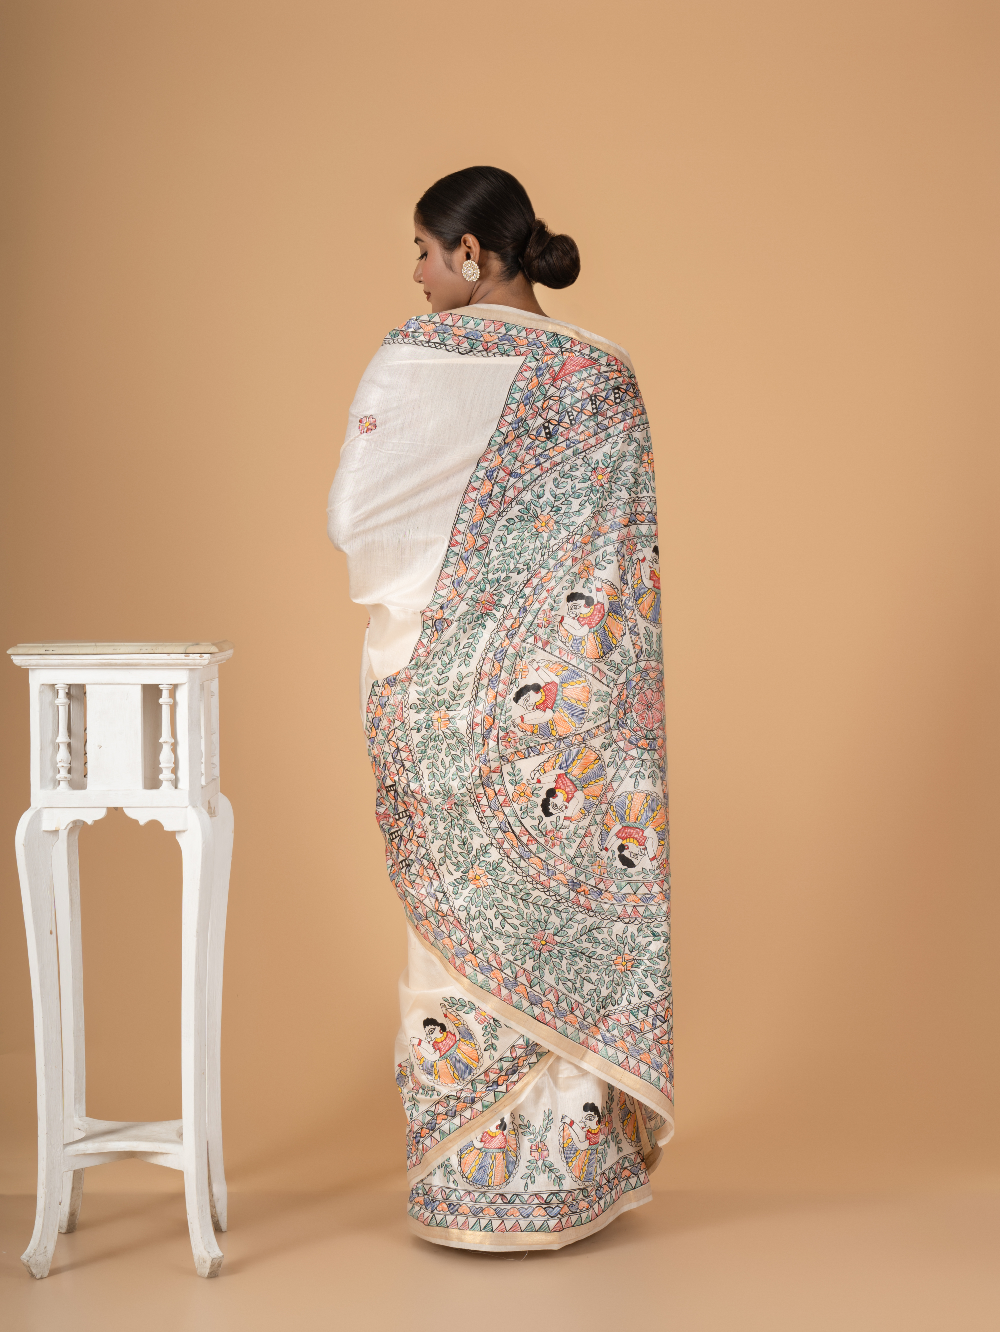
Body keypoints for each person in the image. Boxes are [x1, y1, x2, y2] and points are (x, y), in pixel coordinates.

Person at [328, 166, 671, 1251]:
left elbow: (359, 520)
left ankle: (472, 1197)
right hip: (572, 719)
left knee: (458, 936)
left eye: (425, 252)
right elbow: (620, 573)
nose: (418, 276)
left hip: (445, 702)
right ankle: (567, 1189)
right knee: (559, 929)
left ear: (471, 254)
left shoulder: (419, 358)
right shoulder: (604, 375)